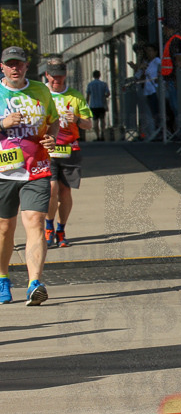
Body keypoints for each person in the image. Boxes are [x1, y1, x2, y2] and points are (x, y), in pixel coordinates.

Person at [0, 46, 60, 305]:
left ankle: (35, 283)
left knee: (35, 222)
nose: (15, 68)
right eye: (10, 64)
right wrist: (3, 124)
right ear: (2, 66)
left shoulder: (41, 90)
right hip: (3, 171)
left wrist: (52, 137)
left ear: (27, 66)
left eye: (20, 63)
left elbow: (53, 120)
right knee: (4, 229)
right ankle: (2, 278)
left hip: (37, 168)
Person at [43, 58, 92, 248]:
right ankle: (48, 228)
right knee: (51, 189)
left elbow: (89, 124)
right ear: (47, 75)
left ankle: (61, 230)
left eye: (61, 77)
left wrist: (78, 120)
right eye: (54, 77)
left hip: (70, 149)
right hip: (47, 150)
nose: (58, 81)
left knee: (65, 191)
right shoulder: (41, 93)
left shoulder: (75, 96)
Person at [160, 18, 181, 122]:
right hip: (171, 78)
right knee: (174, 106)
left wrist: (176, 79)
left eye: (164, 28)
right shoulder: (173, 39)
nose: (163, 31)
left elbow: (178, 61)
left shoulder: (175, 40)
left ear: (167, 28)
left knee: (177, 106)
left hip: (173, 79)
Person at [141, 44, 161, 139]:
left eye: (150, 51)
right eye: (147, 51)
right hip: (148, 90)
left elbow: (161, 71)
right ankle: (154, 131)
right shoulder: (148, 63)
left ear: (155, 52)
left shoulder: (157, 61)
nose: (148, 53)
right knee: (152, 112)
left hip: (154, 89)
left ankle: (159, 130)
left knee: (156, 111)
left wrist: (159, 78)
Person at [85, 70, 110, 141]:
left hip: (93, 105)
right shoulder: (104, 84)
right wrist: (104, 96)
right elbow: (108, 94)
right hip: (102, 105)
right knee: (102, 121)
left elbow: (88, 95)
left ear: (93, 76)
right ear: (100, 75)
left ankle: (97, 136)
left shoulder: (90, 84)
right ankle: (102, 134)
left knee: (95, 122)